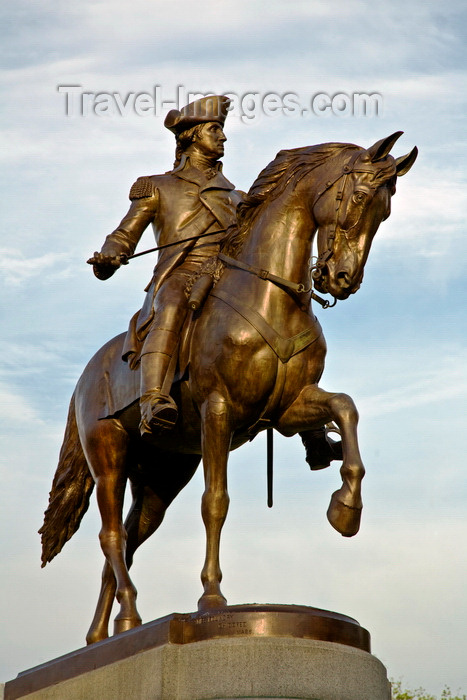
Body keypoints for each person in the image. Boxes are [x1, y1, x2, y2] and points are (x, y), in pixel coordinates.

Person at [89, 96, 243, 436]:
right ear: (192, 135)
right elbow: (124, 235)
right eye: (215, 129)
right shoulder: (157, 185)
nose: (223, 137)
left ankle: (311, 427)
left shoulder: (237, 198)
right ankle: (152, 399)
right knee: (171, 304)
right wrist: (109, 256)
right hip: (182, 274)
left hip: (229, 278)